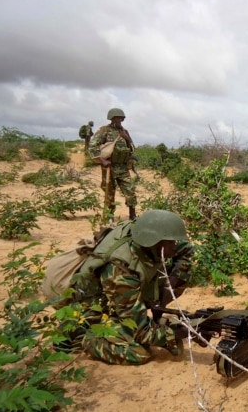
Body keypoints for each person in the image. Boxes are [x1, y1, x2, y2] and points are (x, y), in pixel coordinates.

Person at [63, 209, 193, 365]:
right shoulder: (121, 271)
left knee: (183, 275)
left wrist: (164, 297)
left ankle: (144, 309)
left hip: (121, 298)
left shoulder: (146, 238)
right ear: (153, 242)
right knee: (139, 353)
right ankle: (85, 339)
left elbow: (186, 250)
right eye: (170, 242)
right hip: (94, 310)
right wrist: (180, 334)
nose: (174, 246)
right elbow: (140, 331)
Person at [89, 108, 138, 221]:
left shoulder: (125, 131)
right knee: (109, 193)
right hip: (109, 167)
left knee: (130, 190)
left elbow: (132, 148)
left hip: (123, 167)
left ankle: (132, 215)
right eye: (116, 118)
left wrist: (127, 138)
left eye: (120, 118)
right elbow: (93, 146)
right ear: (111, 118)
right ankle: (109, 216)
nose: (119, 120)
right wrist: (102, 160)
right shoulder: (104, 130)